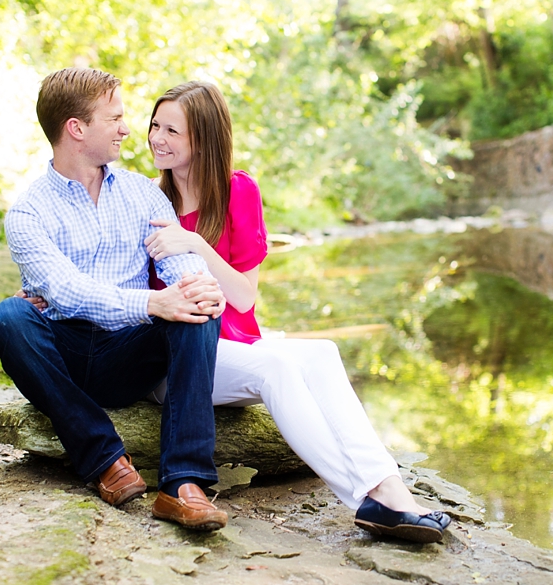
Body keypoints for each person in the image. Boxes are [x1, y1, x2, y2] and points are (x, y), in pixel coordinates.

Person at [142, 81, 452, 543]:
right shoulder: (148, 201)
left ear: (204, 139)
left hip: (237, 343)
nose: (157, 139)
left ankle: (391, 489)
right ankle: (365, 502)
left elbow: (244, 298)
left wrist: (196, 244)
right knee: (277, 368)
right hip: (179, 363)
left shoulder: (237, 191)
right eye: (155, 126)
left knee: (323, 351)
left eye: (172, 130)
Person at [0, 67, 229, 532]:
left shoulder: (143, 194)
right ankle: (105, 460)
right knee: (8, 317)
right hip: (62, 354)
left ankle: (183, 484)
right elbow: (65, 290)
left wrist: (198, 285)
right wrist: (151, 304)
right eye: (114, 118)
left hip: (128, 355)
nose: (127, 129)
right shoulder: (28, 213)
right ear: (76, 129)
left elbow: (179, 262)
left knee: (195, 307)